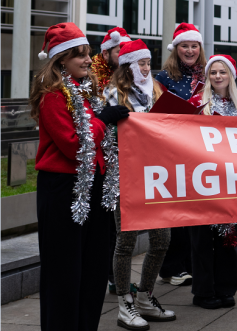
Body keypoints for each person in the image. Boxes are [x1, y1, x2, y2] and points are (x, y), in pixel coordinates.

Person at [30, 22, 129, 331]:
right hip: (64, 191)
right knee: (64, 273)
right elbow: (76, 145)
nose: (89, 60)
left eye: (88, 54)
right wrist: (103, 119)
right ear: (61, 59)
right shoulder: (53, 95)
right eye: (80, 55)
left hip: (94, 187)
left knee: (92, 271)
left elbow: (99, 140)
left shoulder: (86, 91)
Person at [103, 39, 175, 330]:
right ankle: (124, 304)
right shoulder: (113, 93)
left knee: (162, 238)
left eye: (148, 63)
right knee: (126, 241)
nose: (147, 68)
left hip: (155, 175)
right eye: (142, 63)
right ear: (129, 66)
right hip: (127, 175)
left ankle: (145, 296)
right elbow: (105, 135)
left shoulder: (157, 90)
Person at [188, 55, 237, 309]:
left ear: (231, 76)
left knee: (229, 237)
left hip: (232, 180)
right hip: (202, 179)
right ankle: (203, 291)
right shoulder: (196, 103)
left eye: (223, 72)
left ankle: (225, 287)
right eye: (213, 73)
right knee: (202, 237)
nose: (218, 77)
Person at [155, 22, 207, 287]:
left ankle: (190, 265)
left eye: (194, 45)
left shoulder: (209, 75)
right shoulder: (163, 78)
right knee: (175, 211)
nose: (190, 50)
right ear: (176, 49)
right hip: (172, 151)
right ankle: (171, 267)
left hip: (200, 151)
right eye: (185, 46)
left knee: (195, 210)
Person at [89, 26, 132, 295]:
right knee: (103, 224)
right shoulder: (92, 77)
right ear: (107, 53)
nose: (124, 54)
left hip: (120, 158)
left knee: (116, 226)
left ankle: (114, 277)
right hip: (99, 159)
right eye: (120, 50)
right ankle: (104, 276)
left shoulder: (126, 77)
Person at [91, 27, 131, 94]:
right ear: (105, 54)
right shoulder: (91, 81)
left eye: (127, 52)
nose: (125, 56)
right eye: (120, 52)